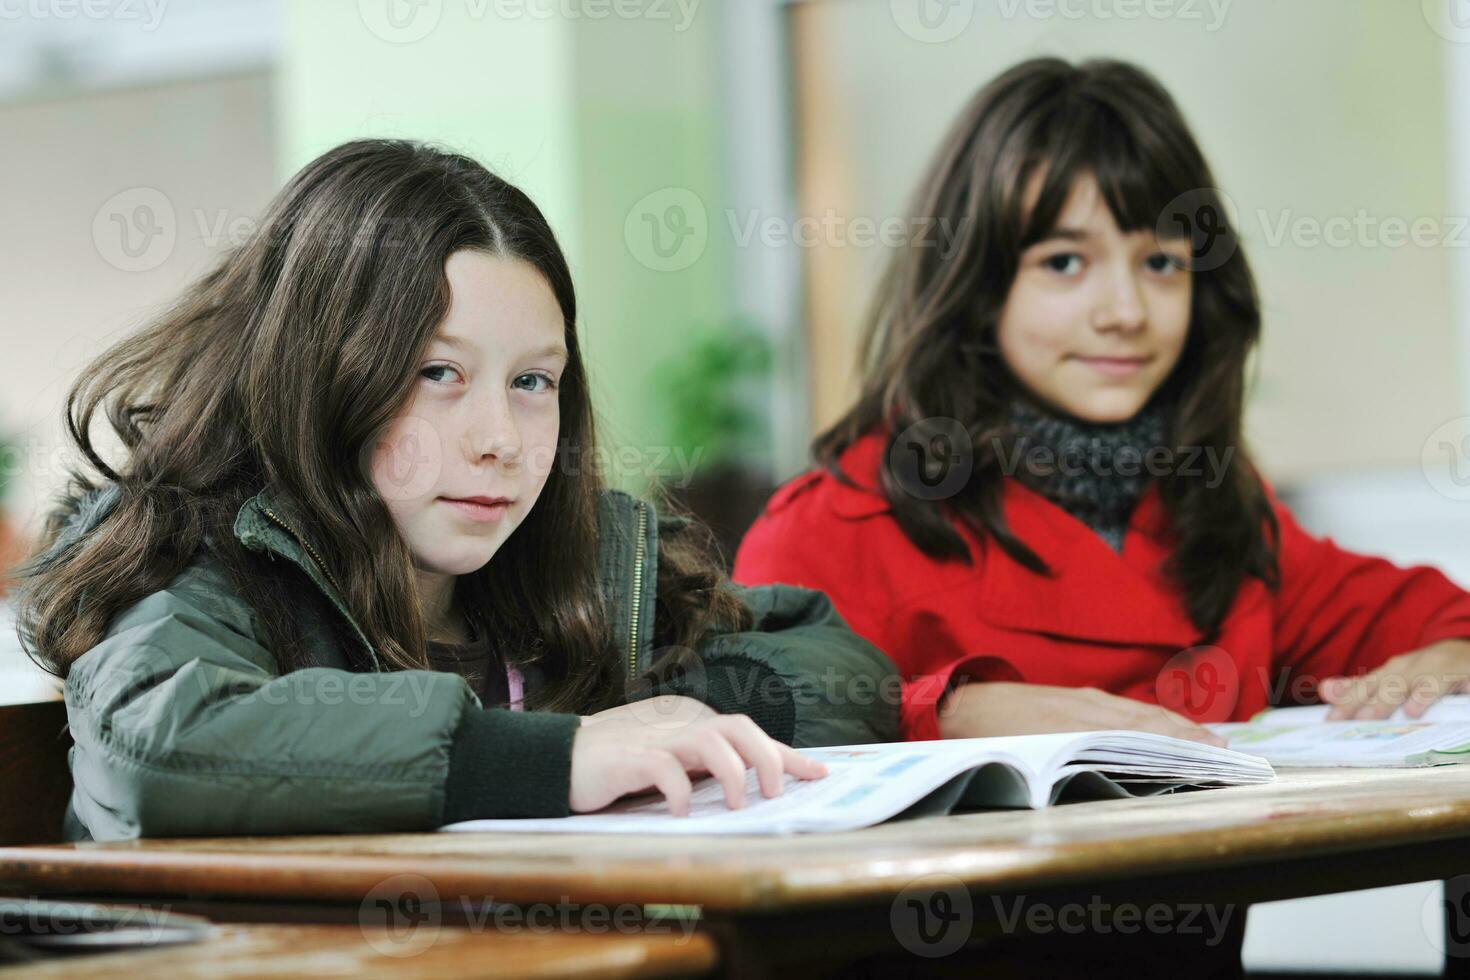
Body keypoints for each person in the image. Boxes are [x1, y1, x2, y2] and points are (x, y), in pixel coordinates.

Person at [15, 139, 900, 842]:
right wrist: (557, 755)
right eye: (439, 372)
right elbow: (161, 745)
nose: (499, 443)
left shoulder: (584, 560)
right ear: (319, 376)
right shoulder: (190, 554)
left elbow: (843, 670)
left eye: (533, 382)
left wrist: (679, 717)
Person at [734, 57, 1470, 746]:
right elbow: (743, 717)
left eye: (1160, 263)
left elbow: (1434, 616)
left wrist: (1441, 661)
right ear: (977, 285)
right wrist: (952, 711)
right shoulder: (833, 528)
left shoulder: (1218, 508)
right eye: (1064, 262)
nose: (1125, 310)